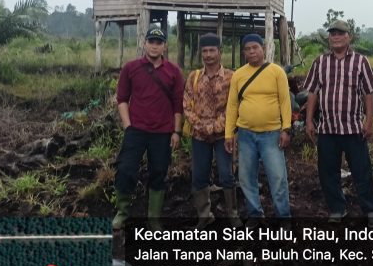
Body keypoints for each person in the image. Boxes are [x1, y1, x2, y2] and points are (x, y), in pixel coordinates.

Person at [304, 19, 373, 227]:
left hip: (353, 128)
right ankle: (337, 208)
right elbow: (312, 92)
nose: (336, 37)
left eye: (340, 33)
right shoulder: (320, 62)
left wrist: (370, 121)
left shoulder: (360, 61)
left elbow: (368, 93)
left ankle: (371, 209)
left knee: (361, 171)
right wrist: (309, 120)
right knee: (328, 172)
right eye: (332, 34)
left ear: (349, 37)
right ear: (329, 38)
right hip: (328, 128)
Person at [112, 27, 184, 231]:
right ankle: (123, 212)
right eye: (151, 41)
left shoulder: (173, 72)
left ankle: (154, 218)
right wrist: (128, 126)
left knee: (158, 172)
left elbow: (178, 104)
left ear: (164, 46)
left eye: (158, 42)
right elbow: (122, 99)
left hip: (162, 132)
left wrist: (176, 132)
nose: (154, 45)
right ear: (144, 44)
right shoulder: (131, 68)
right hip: (136, 130)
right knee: (125, 169)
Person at [224, 33, 292, 225]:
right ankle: (254, 214)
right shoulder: (239, 74)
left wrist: (286, 129)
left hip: (272, 135)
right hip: (245, 135)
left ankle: (283, 217)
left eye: (255, 47)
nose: (252, 52)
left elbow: (285, 102)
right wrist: (229, 134)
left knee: (278, 178)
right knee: (246, 178)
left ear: (263, 48)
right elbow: (232, 105)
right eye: (248, 49)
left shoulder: (276, 72)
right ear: (244, 52)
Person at [183, 33, 242, 228]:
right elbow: (187, 106)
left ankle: (233, 214)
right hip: (199, 136)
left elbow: (235, 106)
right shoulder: (194, 77)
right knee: (199, 176)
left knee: (226, 174)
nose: (208, 55)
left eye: (212, 51)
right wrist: (201, 126)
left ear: (220, 52)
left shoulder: (232, 77)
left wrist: (216, 126)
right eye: (205, 51)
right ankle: (204, 215)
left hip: (223, 136)